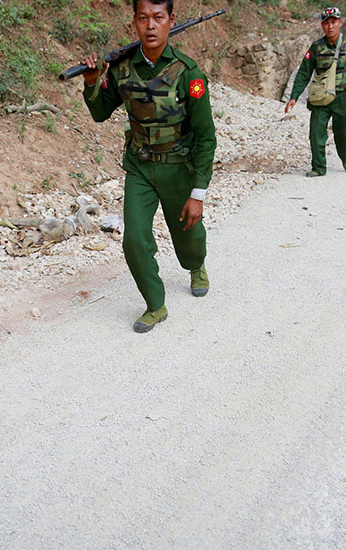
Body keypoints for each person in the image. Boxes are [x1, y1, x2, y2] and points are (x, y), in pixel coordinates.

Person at [80, 0, 216, 333]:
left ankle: (196, 264)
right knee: (135, 240)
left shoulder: (188, 73)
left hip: (178, 166)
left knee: (188, 233)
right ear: (135, 23)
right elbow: (100, 112)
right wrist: (92, 81)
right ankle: (155, 305)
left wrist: (197, 192)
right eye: (143, 19)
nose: (151, 26)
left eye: (158, 18)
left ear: (171, 21)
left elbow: (205, 136)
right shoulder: (122, 67)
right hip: (140, 168)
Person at [285, 7, 346, 177]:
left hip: (343, 97)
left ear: (340, 23)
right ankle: (318, 168)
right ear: (322, 25)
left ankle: (344, 156)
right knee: (316, 133)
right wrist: (294, 96)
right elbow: (304, 72)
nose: (330, 26)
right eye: (326, 23)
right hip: (320, 97)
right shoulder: (316, 47)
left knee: (344, 134)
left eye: (334, 22)